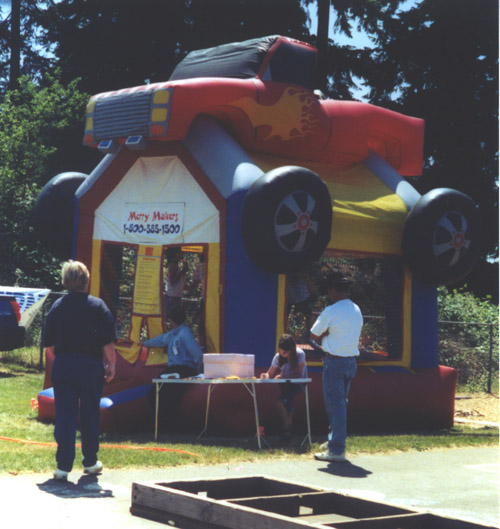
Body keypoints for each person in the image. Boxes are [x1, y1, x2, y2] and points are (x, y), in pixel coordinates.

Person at [43, 260, 117, 481]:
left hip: (64, 363)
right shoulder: (98, 306)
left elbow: (51, 346)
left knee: (65, 415)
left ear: (65, 282)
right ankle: (91, 461)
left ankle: (63, 466)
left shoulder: (57, 306)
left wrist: (66, 359)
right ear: (87, 280)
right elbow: (107, 344)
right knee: (90, 413)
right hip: (90, 365)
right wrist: (111, 365)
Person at [310, 271, 363, 463]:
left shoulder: (331, 310)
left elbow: (314, 334)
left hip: (334, 361)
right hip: (350, 361)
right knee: (340, 404)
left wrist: (326, 335)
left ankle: (337, 449)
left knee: (335, 405)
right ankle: (334, 440)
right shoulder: (356, 309)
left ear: (333, 290)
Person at [261, 334, 307, 438]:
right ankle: (287, 433)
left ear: (292, 350)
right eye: (280, 351)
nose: (282, 354)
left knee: (280, 403)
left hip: (298, 384)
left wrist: (282, 376)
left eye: (285, 352)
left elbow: (299, 374)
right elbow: (270, 373)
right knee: (288, 408)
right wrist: (266, 375)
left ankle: (286, 426)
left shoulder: (300, 354)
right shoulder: (278, 357)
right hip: (285, 385)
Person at [164, 247, 186, 316]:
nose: (183, 254)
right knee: (173, 318)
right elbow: (172, 280)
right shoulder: (172, 265)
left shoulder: (175, 265)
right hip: (172, 297)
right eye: (180, 252)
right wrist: (183, 271)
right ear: (176, 254)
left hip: (174, 296)